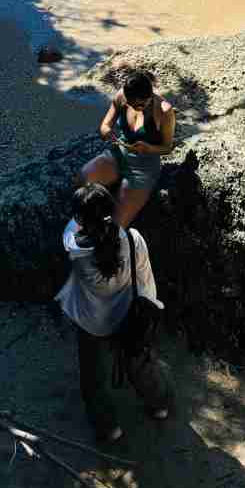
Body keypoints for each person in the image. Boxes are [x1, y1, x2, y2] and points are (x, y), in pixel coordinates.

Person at [55, 182, 171, 443]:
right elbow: (145, 278)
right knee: (141, 365)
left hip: (92, 323)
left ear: (82, 220)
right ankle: (159, 405)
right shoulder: (133, 239)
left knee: (94, 378)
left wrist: (82, 214)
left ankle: (109, 428)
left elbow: (71, 228)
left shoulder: (76, 250)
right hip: (129, 316)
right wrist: (150, 307)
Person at [80, 71, 175, 227]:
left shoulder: (164, 111)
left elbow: (166, 147)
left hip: (144, 167)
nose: (134, 107)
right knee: (83, 179)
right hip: (118, 154)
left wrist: (149, 148)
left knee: (118, 222)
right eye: (130, 103)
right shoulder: (122, 97)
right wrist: (106, 132)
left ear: (150, 96)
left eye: (140, 105)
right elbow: (105, 125)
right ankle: (85, 226)